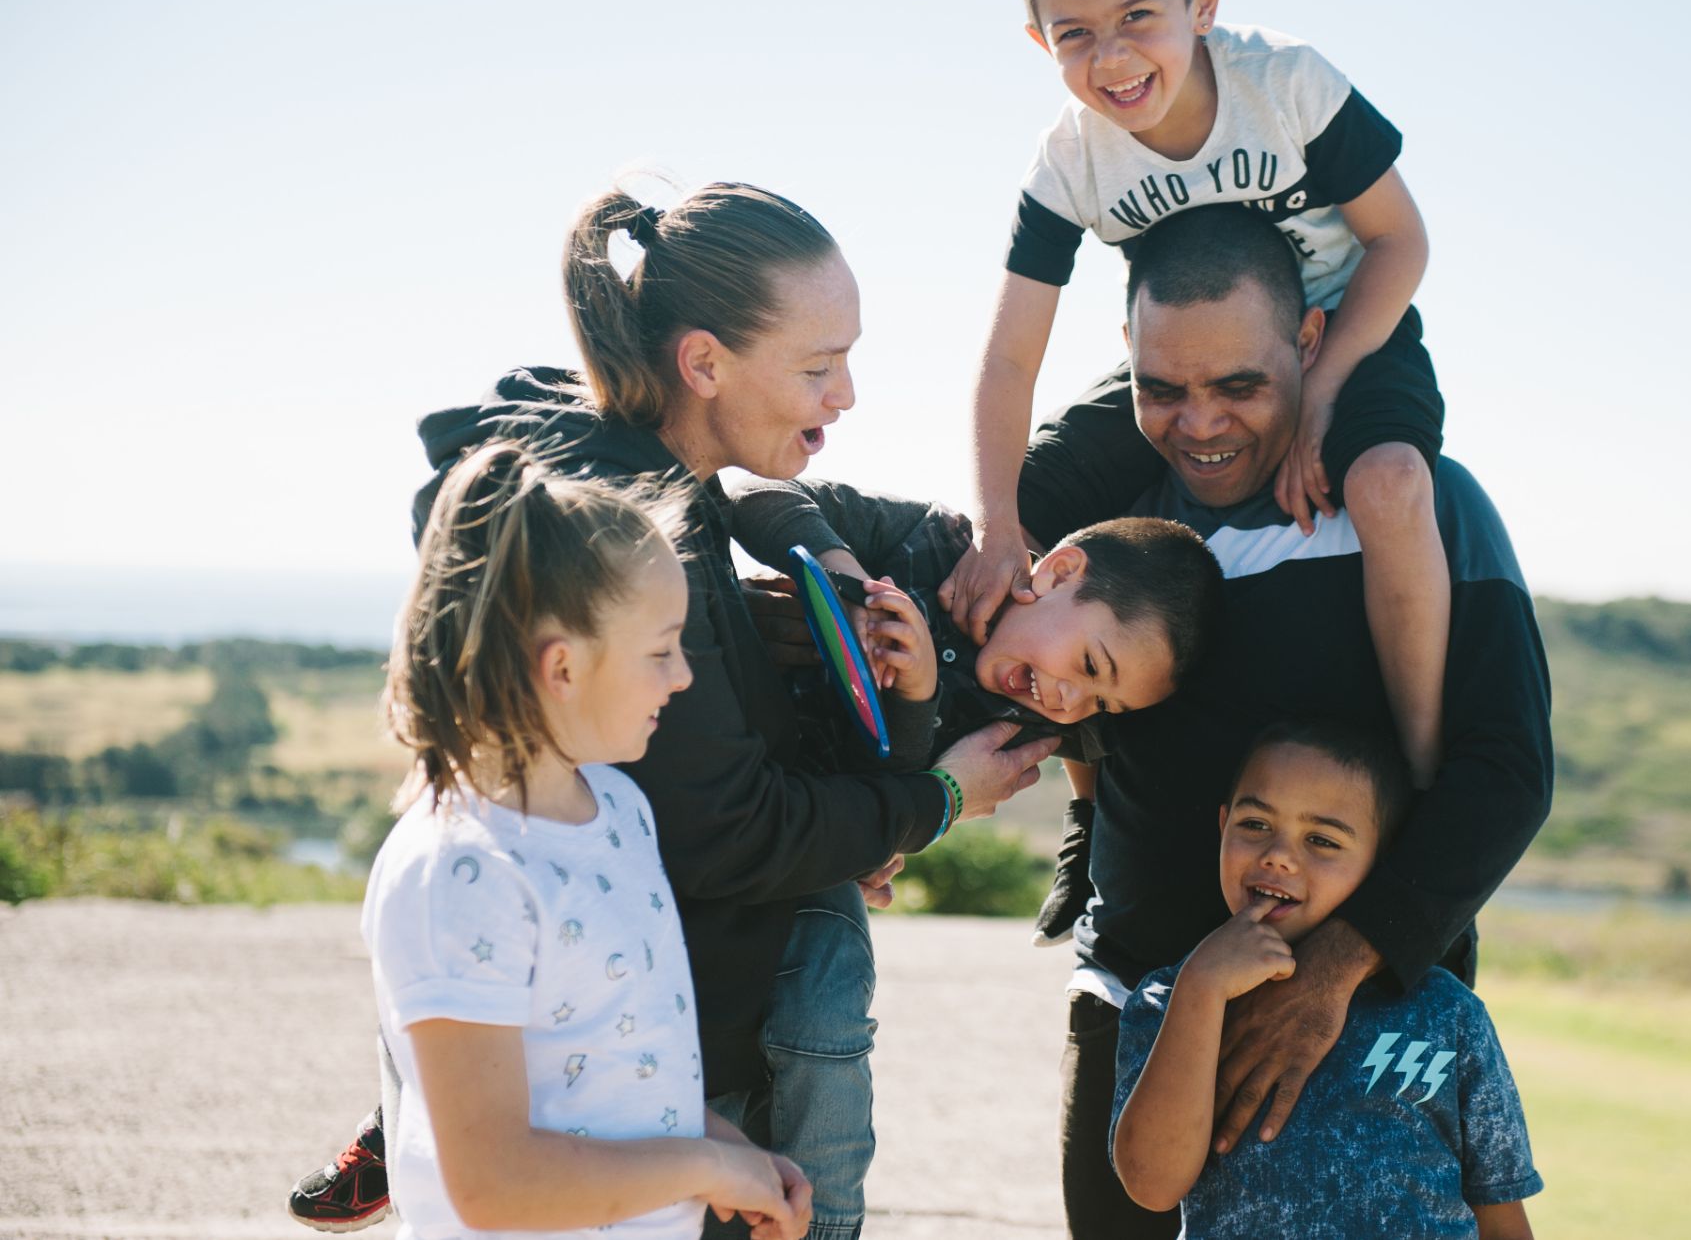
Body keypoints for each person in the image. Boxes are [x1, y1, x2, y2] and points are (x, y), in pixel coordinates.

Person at [288, 182, 1058, 1240]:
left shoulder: (643, 482)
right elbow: (727, 828)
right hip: (667, 1077)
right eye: (818, 364)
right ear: (703, 363)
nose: (846, 394)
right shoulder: (636, 524)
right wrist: (930, 798)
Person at [1013, 204, 1553, 1239]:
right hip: (1134, 1000)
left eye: (1239, 386)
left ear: (1308, 344)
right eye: (1161, 389)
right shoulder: (1108, 524)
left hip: (1370, 1013)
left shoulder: (1422, 509)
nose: (1198, 423)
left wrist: (1338, 965)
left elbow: (1505, 769)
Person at [947, 0, 1451, 796]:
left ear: (1203, 2)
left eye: (1139, 17)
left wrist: (1323, 395)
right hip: (1185, 359)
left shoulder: (1287, 86)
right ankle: (1087, 793)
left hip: (1344, 327)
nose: (1112, 58)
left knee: (1388, 485)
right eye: (1076, 35)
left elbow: (1401, 242)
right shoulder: (1069, 163)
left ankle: (1420, 757)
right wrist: (994, 526)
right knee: (1019, 510)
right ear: (1041, 42)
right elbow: (1007, 363)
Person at [359, 437, 812, 1239]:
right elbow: (494, 1185)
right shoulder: (456, 870)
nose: (682, 677)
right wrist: (706, 1169)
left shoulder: (620, 807)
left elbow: (613, 1065)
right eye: (661, 650)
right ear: (561, 667)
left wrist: (729, 1148)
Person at [1110, 719, 1541, 1238]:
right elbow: (1152, 1185)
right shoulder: (1170, 998)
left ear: (1383, 863)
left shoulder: (1446, 1013)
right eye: (1254, 825)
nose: (1278, 855)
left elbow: (1500, 1213)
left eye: (1321, 839)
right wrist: (1201, 988)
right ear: (1222, 825)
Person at [729, 476, 1224, 766]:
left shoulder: (1015, 733)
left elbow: (894, 790)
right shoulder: (932, 541)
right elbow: (755, 494)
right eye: (1091, 667)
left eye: (1102, 705)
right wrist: (854, 592)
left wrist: (915, 695)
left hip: (773, 803)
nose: (1069, 701)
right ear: (1058, 574)